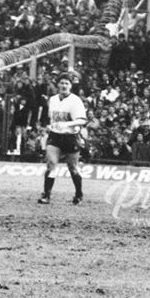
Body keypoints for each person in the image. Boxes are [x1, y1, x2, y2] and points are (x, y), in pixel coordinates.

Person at [38, 74, 88, 204]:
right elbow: (51, 117)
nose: (64, 86)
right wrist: (50, 125)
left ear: (71, 86)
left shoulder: (76, 100)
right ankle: (46, 195)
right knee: (51, 164)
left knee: (72, 167)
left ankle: (78, 194)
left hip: (71, 137)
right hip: (55, 136)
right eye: (61, 83)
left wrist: (66, 124)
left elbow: (82, 120)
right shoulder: (53, 99)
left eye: (67, 83)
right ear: (58, 85)